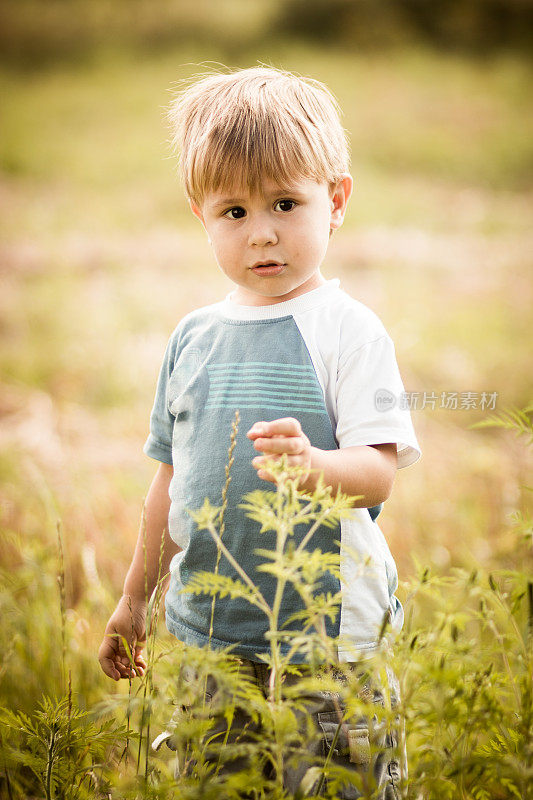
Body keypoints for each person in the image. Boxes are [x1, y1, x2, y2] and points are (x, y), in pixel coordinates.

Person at [98, 66, 421, 797]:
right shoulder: (193, 338)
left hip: (328, 638)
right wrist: (133, 599)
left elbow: (377, 473)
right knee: (219, 781)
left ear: (334, 200)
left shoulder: (347, 330)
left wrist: (316, 466)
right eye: (233, 212)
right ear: (200, 216)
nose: (262, 233)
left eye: (284, 202)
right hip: (211, 630)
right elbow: (172, 483)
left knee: (339, 781)